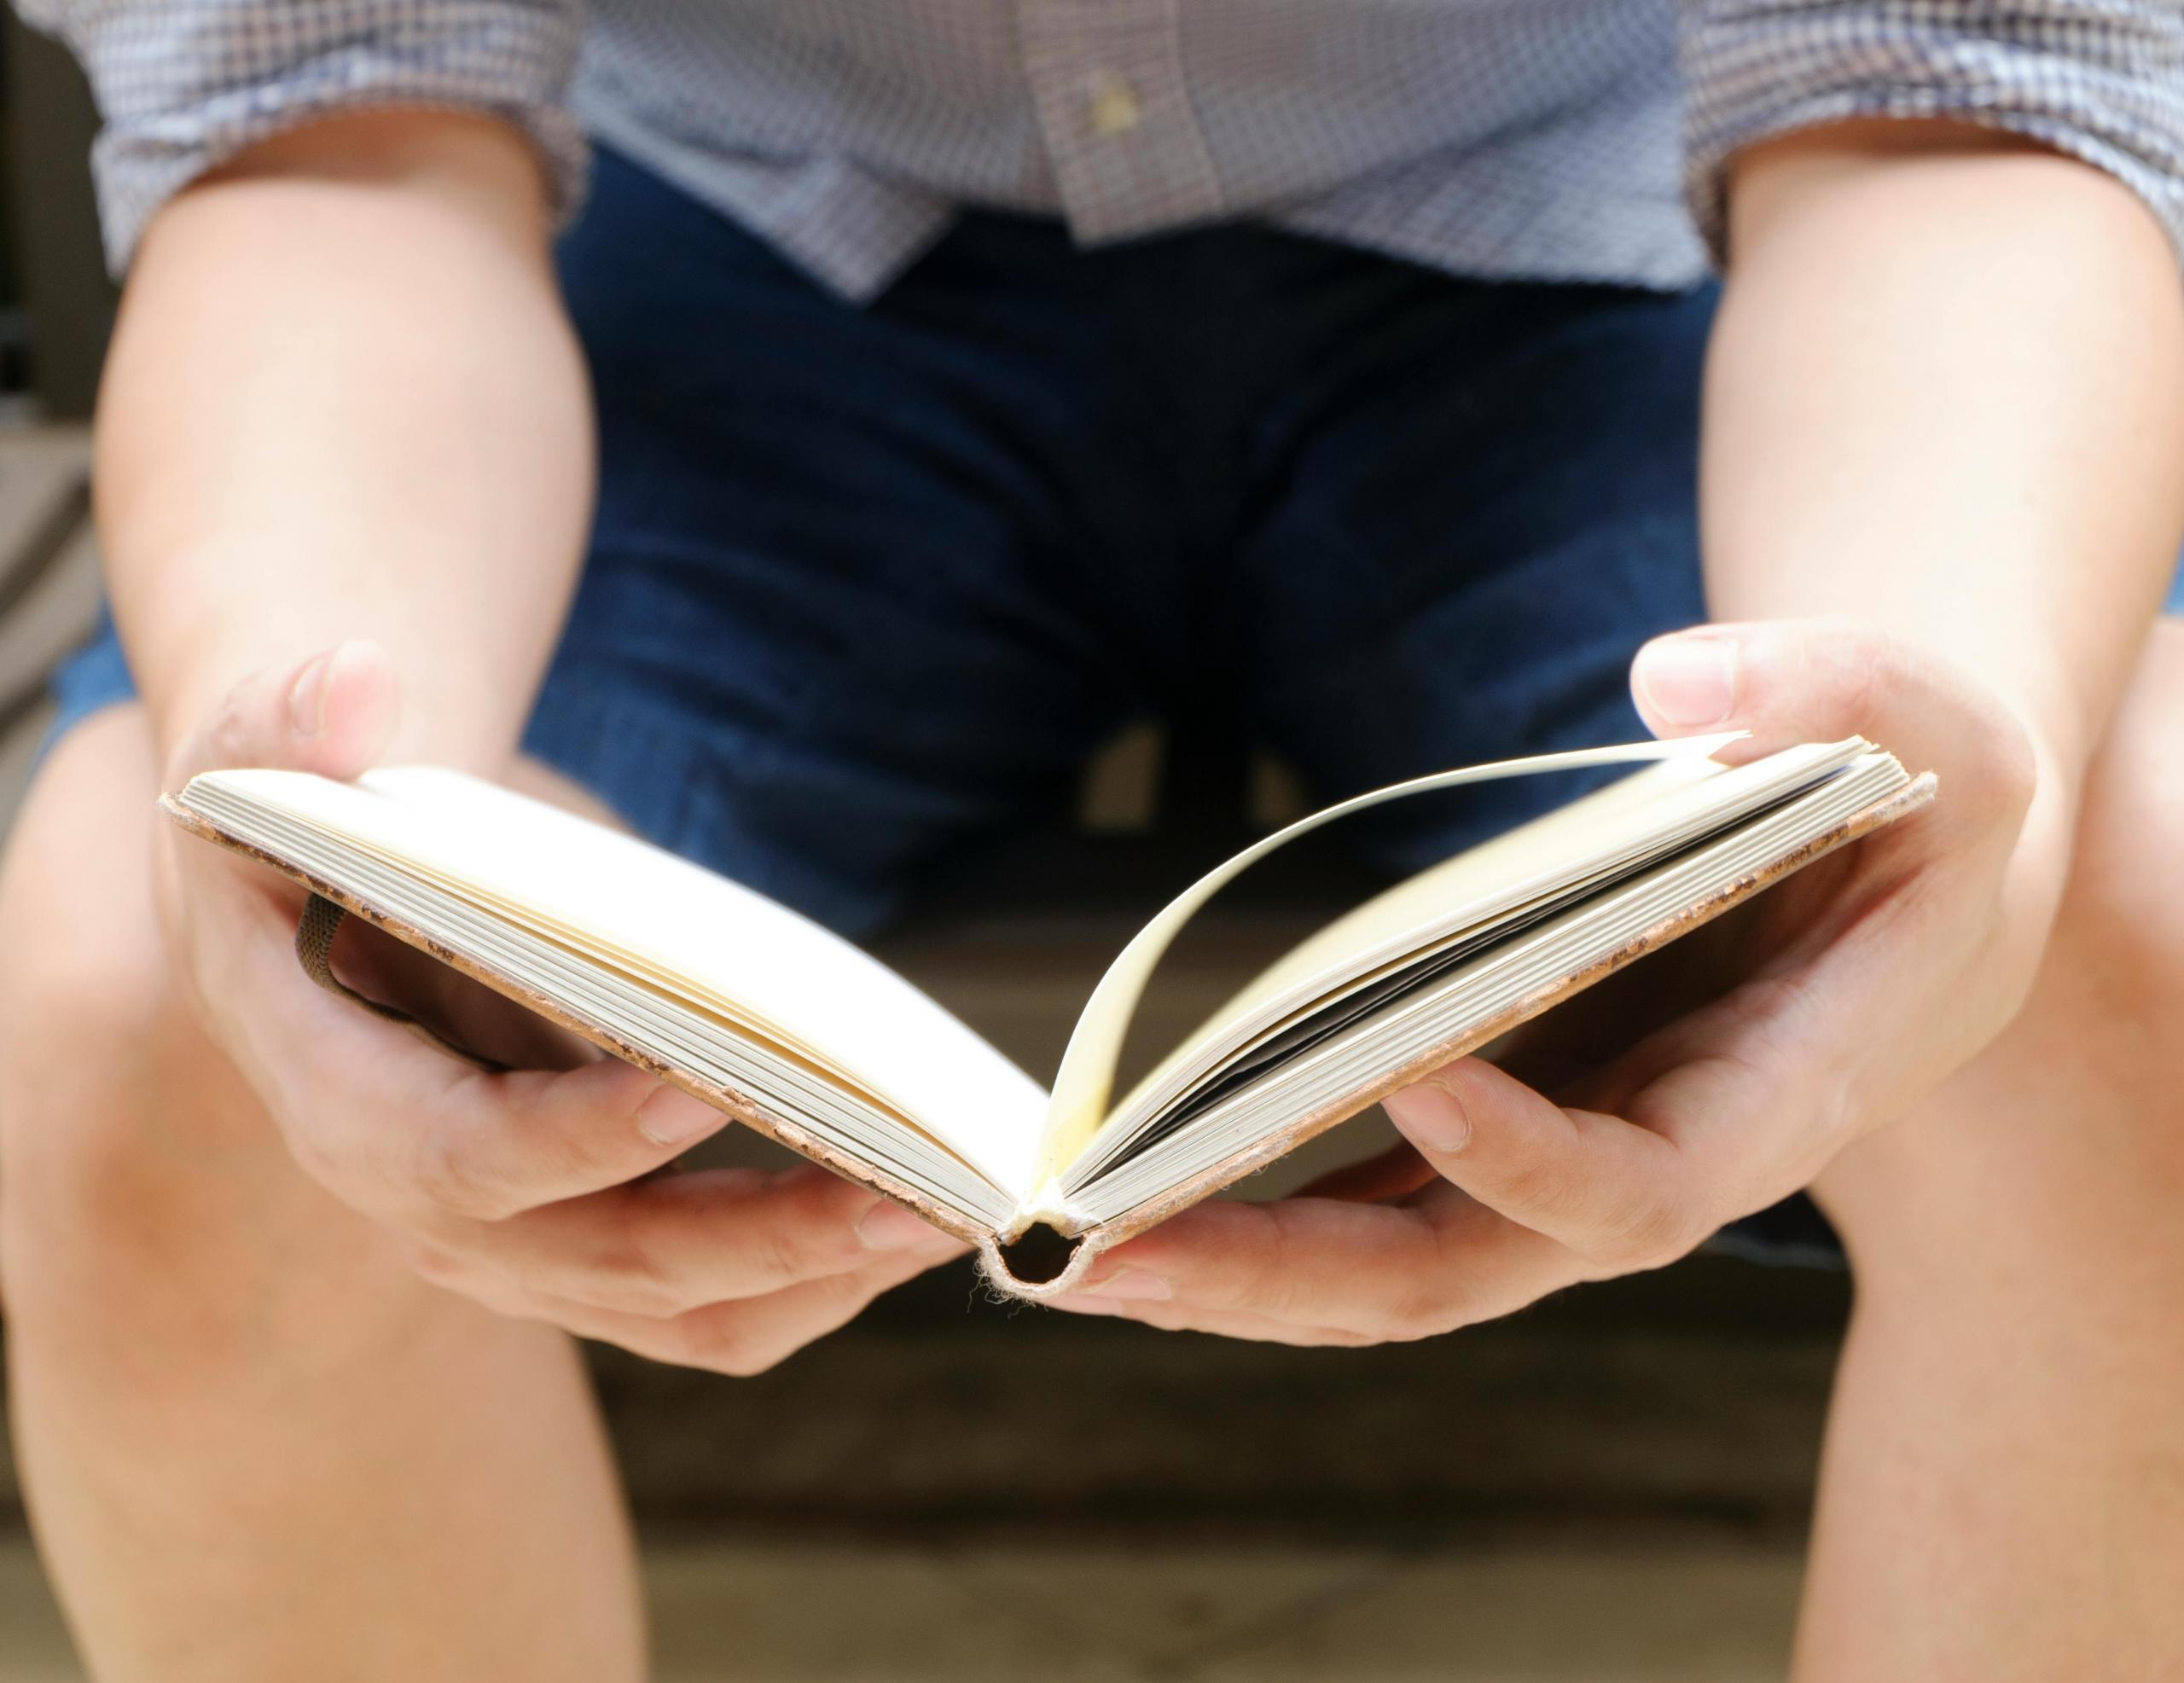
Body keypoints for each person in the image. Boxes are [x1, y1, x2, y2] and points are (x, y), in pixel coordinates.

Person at [1, 2, 2179, 1677]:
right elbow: (336, 118)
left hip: (1635, 215)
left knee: (2119, 898)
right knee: (171, 988)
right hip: (700, 229)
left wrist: (1957, 753)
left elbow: (1944, 91)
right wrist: (358, 849)